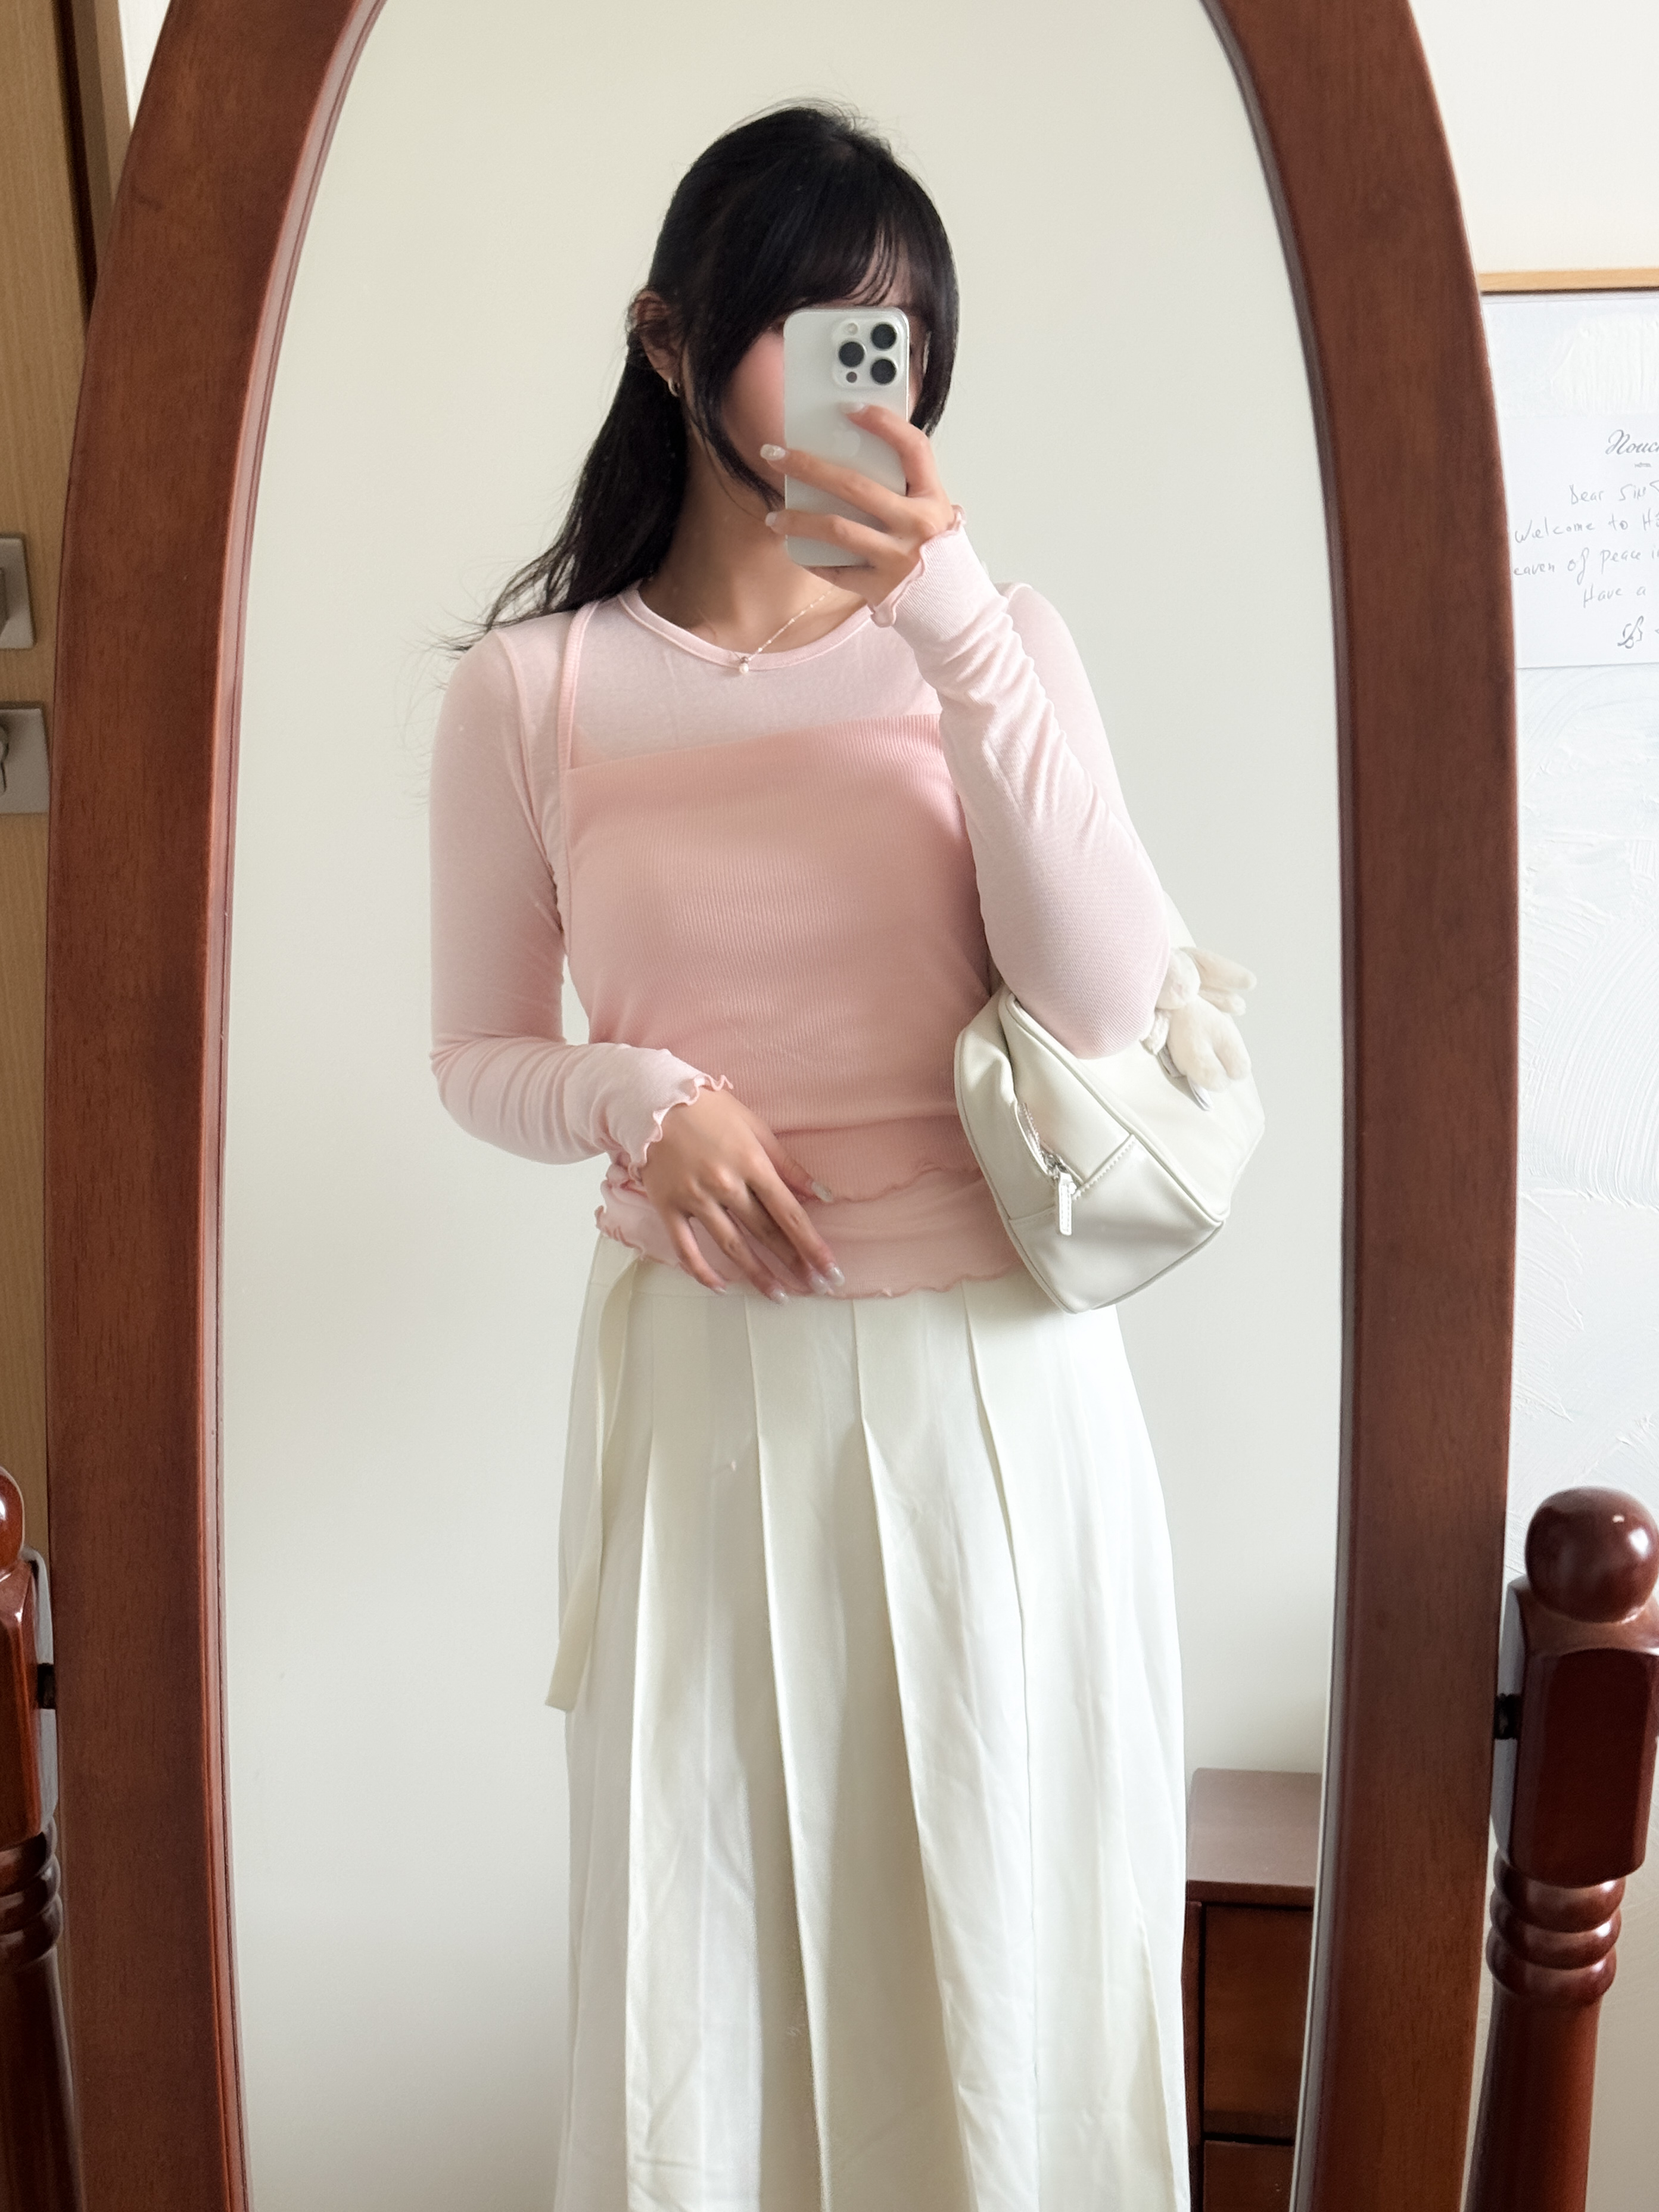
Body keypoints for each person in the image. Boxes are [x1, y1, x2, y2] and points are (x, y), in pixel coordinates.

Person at [430, 98, 1191, 2212]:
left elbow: (1104, 1000)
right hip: (710, 1399)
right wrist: (636, 1099)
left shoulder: (995, 643)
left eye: (899, 336)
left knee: (1008, 1969)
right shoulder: (531, 691)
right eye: (814, 324)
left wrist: (950, 621)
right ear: (673, 343)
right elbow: (476, 1052)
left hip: (994, 1404)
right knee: (709, 1982)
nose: (874, 372)